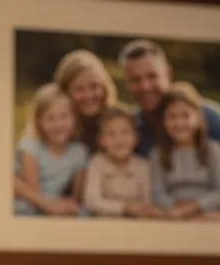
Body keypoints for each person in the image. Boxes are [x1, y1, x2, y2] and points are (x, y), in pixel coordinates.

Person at [118, 38, 220, 220]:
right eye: (135, 79)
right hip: (165, 216)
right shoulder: (131, 128)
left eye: (152, 76)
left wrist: (196, 211)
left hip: (216, 217)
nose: (145, 86)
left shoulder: (211, 116)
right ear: (126, 83)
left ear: (168, 73)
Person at [149, 83, 220, 221]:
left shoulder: (213, 150)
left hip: (206, 211)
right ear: (163, 121)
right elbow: (157, 193)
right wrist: (176, 209)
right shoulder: (158, 153)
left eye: (185, 116)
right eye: (172, 117)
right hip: (172, 213)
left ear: (198, 118)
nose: (179, 123)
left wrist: (193, 208)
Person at [13, 83, 88, 216]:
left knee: (82, 213)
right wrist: (52, 205)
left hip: (54, 204)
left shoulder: (79, 152)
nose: (58, 125)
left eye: (64, 116)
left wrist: (68, 205)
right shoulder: (30, 148)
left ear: (74, 118)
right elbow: (35, 195)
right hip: (31, 202)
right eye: (50, 118)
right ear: (39, 122)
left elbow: (77, 197)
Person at [82, 107, 159, 218]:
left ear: (136, 138)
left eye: (125, 132)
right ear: (101, 141)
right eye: (111, 134)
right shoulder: (97, 163)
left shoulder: (143, 166)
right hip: (104, 225)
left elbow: (147, 200)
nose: (119, 140)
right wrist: (125, 207)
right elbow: (91, 201)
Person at [52, 49, 118, 153]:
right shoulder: (55, 129)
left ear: (105, 86)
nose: (88, 95)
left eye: (94, 86)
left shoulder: (121, 121)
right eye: (79, 89)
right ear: (65, 93)